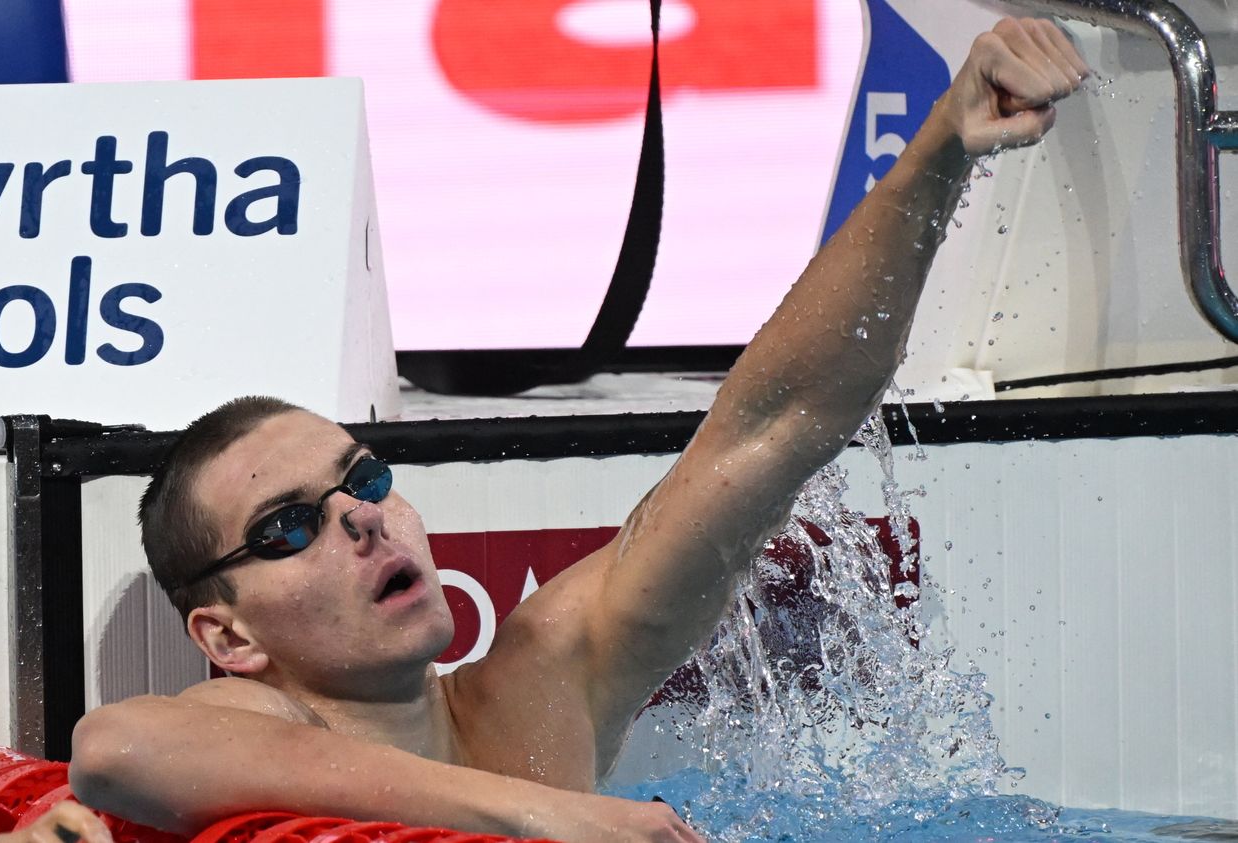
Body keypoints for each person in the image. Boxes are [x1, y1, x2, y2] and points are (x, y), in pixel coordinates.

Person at [65, 18, 1089, 843]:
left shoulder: (540, 683)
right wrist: (540, 810)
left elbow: (771, 425)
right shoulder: (268, 725)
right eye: (292, 527)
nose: (361, 525)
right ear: (227, 636)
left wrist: (939, 151)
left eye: (364, 482)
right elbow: (117, 750)